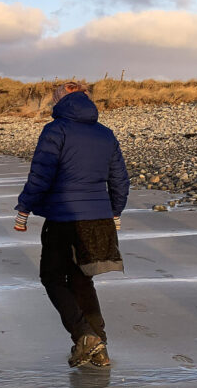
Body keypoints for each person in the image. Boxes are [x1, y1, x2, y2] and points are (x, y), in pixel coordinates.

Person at [14, 81, 130, 369]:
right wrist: (114, 212)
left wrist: (24, 209)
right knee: (82, 279)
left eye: (54, 98)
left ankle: (86, 337)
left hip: (64, 217)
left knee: (52, 278)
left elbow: (41, 175)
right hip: (98, 218)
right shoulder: (105, 134)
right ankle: (97, 344)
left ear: (60, 101)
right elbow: (119, 180)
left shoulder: (56, 130)